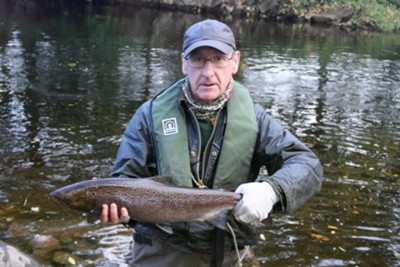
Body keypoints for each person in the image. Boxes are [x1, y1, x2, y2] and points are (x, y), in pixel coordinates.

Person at [100, 19, 323, 266]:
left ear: (235, 62)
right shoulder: (149, 115)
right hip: (160, 253)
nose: (208, 73)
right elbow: (124, 179)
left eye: (218, 59)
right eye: (197, 59)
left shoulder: (256, 119)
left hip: (227, 252)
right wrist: (121, 212)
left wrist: (273, 190)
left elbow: (306, 164)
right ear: (183, 63)